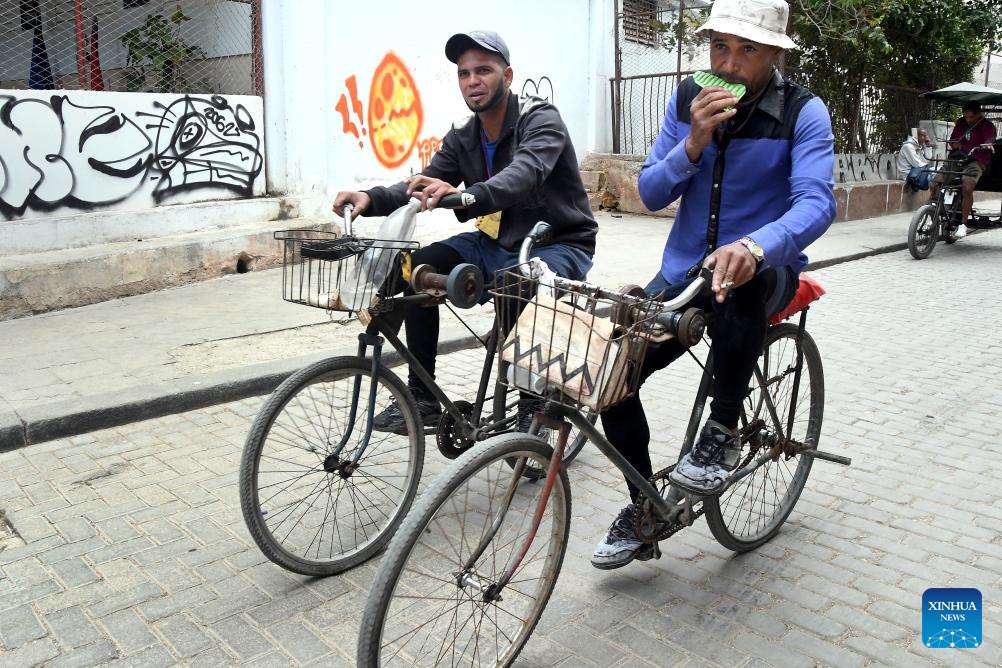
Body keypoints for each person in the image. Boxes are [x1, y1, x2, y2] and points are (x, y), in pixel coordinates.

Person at [591, 0, 836, 570]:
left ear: (774, 54)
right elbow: (650, 192)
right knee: (613, 371)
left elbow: (816, 202)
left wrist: (755, 246)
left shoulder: (803, 112)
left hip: (765, 268)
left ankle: (723, 428)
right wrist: (693, 142)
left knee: (736, 288)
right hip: (683, 271)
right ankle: (646, 510)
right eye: (719, 46)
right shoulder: (687, 100)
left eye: (747, 49)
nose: (728, 63)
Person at [333, 31, 597, 434]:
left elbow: (525, 172)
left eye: (483, 71)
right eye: (464, 73)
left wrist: (469, 195)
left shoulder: (540, 119)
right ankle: (422, 398)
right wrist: (370, 198)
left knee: (519, 285)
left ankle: (533, 408)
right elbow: (424, 183)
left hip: (558, 242)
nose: (473, 81)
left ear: (507, 76)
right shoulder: (464, 135)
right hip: (495, 241)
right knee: (415, 268)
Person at [929, 101, 997, 238]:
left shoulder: (987, 126)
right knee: (935, 182)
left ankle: (963, 225)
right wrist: (954, 144)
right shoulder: (961, 123)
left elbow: (990, 138)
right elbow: (953, 140)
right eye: (966, 117)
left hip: (976, 161)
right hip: (957, 159)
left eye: (971, 117)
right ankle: (936, 213)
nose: (968, 120)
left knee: (967, 187)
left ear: (979, 114)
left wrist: (988, 144)